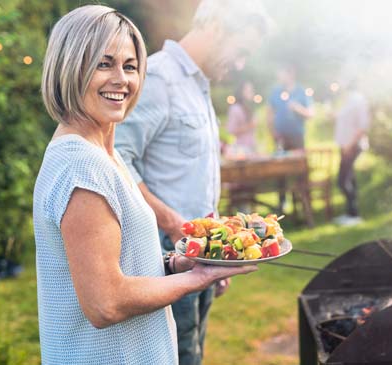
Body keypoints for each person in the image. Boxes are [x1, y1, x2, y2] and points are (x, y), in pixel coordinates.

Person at [33, 5, 256, 364]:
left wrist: (174, 264)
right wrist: (197, 279)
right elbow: (106, 303)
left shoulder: (103, 154)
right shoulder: (81, 166)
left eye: (131, 66)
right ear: (71, 67)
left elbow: (119, 264)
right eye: (104, 64)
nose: (122, 79)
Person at [114, 1, 271, 364]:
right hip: (164, 257)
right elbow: (117, 160)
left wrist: (217, 252)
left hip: (200, 253)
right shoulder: (157, 77)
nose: (240, 63)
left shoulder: (199, 85)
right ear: (216, 26)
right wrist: (172, 226)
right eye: (241, 50)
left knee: (194, 353)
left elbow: (196, 180)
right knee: (178, 355)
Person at [267, 64, 314, 213]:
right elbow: (269, 113)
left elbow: (310, 114)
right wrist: (272, 131)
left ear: (291, 73)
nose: (280, 77)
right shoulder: (276, 92)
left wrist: (297, 108)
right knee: (280, 171)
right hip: (280, 137)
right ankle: (282, 204)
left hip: (297, 136)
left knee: (300, 170)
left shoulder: (301, 91)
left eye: (282, 73)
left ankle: (303, 204)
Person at [333, 81, 370, 226]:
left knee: (342, 180)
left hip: (352, 146)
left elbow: (363, 126)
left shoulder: (358, 100)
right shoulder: (349, 101)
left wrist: (349, 144)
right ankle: (351, 214)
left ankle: (354, 215)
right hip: (345, 146)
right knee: (349, 179)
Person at [226, 80, 258, 157]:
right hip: (241, 150)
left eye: (251, 90)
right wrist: (249, 126)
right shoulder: (235, 108)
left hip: (251, 148)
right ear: (241, 92)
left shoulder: (248, 107)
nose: (251, 93)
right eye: (248, 90)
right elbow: (231, 130)